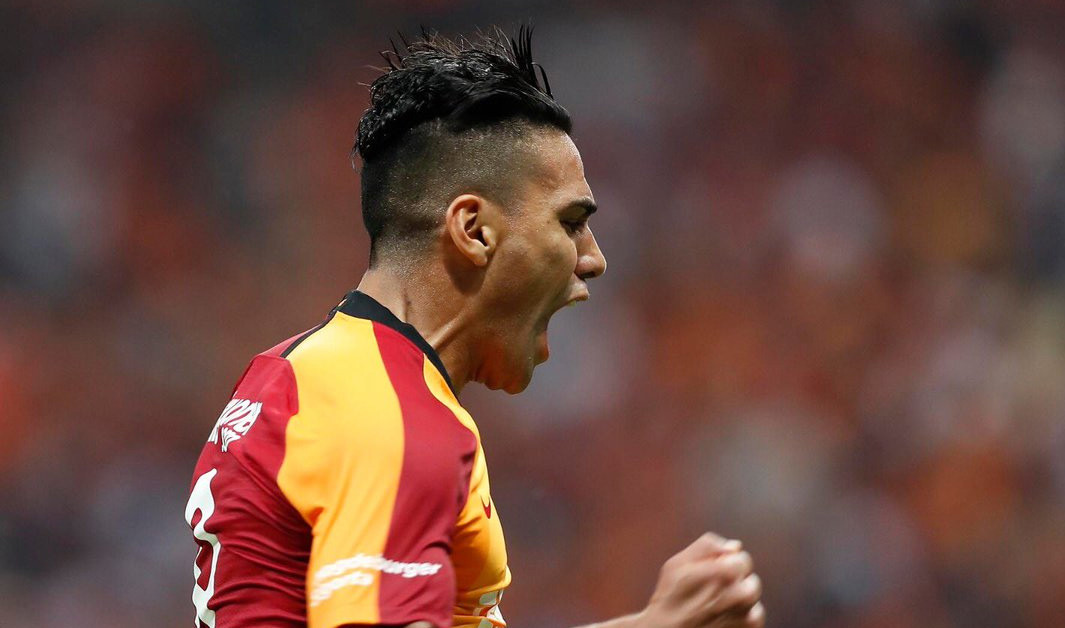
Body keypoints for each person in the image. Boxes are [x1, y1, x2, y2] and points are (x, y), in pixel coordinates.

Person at [185, 27, 765, 628]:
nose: (593, 258)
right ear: (475, 231)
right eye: (570, 223)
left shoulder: (300, 371)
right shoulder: (394, 420)